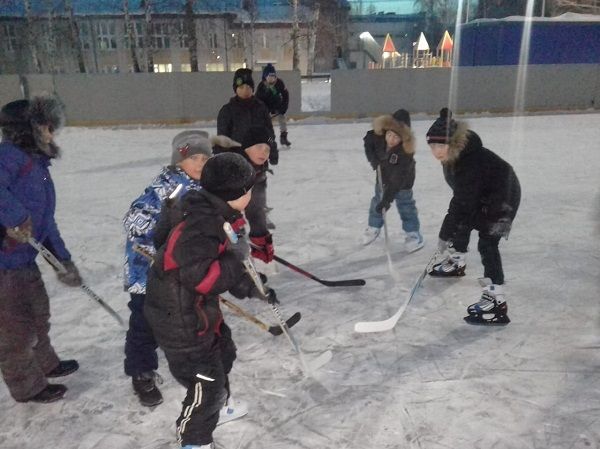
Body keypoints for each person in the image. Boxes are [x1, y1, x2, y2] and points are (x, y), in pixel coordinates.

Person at [144, 152, 278, 449]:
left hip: (198, 312)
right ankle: (194, 439)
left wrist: (250, 286)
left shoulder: (213, 214)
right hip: (179, 322)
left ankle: (218, 406)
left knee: (224, 353)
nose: (252, 193)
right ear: (235, 195)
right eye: (249, 189)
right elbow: (202, 275)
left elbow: (219, 265)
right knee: (206, 380)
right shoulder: (202, 225)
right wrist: (236, 260)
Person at [0, 96, 81, 404]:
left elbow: (44, 220)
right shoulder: (8, 156)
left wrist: (62, 259)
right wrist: (16, 218)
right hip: (4, 261)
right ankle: (27, 386)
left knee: (38, 314)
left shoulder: (36, 164)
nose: (53, 132)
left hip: (24, 258)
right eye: (47, 126)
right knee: (14, 329)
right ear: (28, 129)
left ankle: (46, 363)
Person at [122, 130, 212, 407]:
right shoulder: (167, 186)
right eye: (193, 158)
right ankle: (141, 372)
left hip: (179, 271)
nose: (199, 164)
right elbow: (132, 220)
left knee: (184, 320)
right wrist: (162, 233)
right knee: (145, 323)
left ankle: (193, 364)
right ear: (178, 161)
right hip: (148, 271)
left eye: (204, 158)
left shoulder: (204, 188)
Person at [426, 108, 521, 325]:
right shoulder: (455, 156)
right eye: (432, 145)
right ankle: (457, 262)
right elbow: (463, 200)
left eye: (441, 145)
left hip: (503, 198)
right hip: (484, 193)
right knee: (462, 221)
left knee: (488, 244)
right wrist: (451, 230)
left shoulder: (470, 162)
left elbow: (461, 202)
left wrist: (444, 234)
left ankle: (496, 299)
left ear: (453, 143)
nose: (436, 151)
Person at [216, 68, 278, 230]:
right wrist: (222, 160)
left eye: (249, 87)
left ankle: (259, 223)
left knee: (257, 197)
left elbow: (269, 132)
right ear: (235, 89)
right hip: (237, 165)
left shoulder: (260, 108)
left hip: (258, 163)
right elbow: (223, 138)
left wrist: (273, 149)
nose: (245, 90)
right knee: (236, 198)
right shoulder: (227, 111)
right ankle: (236, 227)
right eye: (241, 87)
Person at [362, 109, 424, 252]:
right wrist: (373, 159)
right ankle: (374, 226)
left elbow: (397, 180)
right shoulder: (378, 138)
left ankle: (413, 234)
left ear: (403, 139)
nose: (391, 139)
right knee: (377, 203)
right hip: (382, 178)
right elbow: (368, 140)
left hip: (402, 183)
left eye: (396, 137)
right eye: (389, 134)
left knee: (406, 207)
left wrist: (387, 200)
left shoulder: (404, 154)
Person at [213, 126, 275, 265]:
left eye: (267, 149)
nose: (264, 152)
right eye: (259, 146)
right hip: (214, 224)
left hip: (230, 220)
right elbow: (225, 208)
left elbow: (256, 208)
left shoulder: (259, 171)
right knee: (235, 248)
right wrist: (237, 234)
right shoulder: (230, 168)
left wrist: (261, 239)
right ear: (246, 147)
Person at [256, 63, 291, 147]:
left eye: (273, 77)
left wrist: (284, 107)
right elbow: (257, 100)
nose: (272, 80)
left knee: (282, 119)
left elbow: (285, 95)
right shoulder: (261, 86)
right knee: (266, 125)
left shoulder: (279, 83)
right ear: (265, 77)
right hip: (266, 106)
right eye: (269, 77)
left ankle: (283, 137)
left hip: (277, 104)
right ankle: (268, 139)